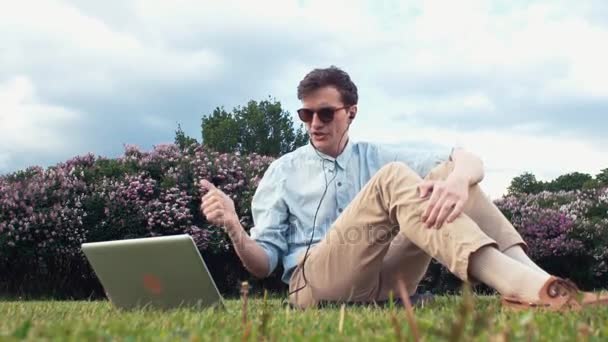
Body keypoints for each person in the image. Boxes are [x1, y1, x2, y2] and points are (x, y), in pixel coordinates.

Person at [200, 66, 608, 311]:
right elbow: (264, 265)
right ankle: (520, 288)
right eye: (306, 113)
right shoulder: (283, 172)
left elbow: (467, 159)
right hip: (316, 283)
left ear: (351, 113)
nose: (314, 123)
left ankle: (545, 282)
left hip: (385, 281)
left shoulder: (372, 154)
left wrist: (456, 180)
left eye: (325, 112)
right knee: (396, 177)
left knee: (446, 177)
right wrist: (235, 228)